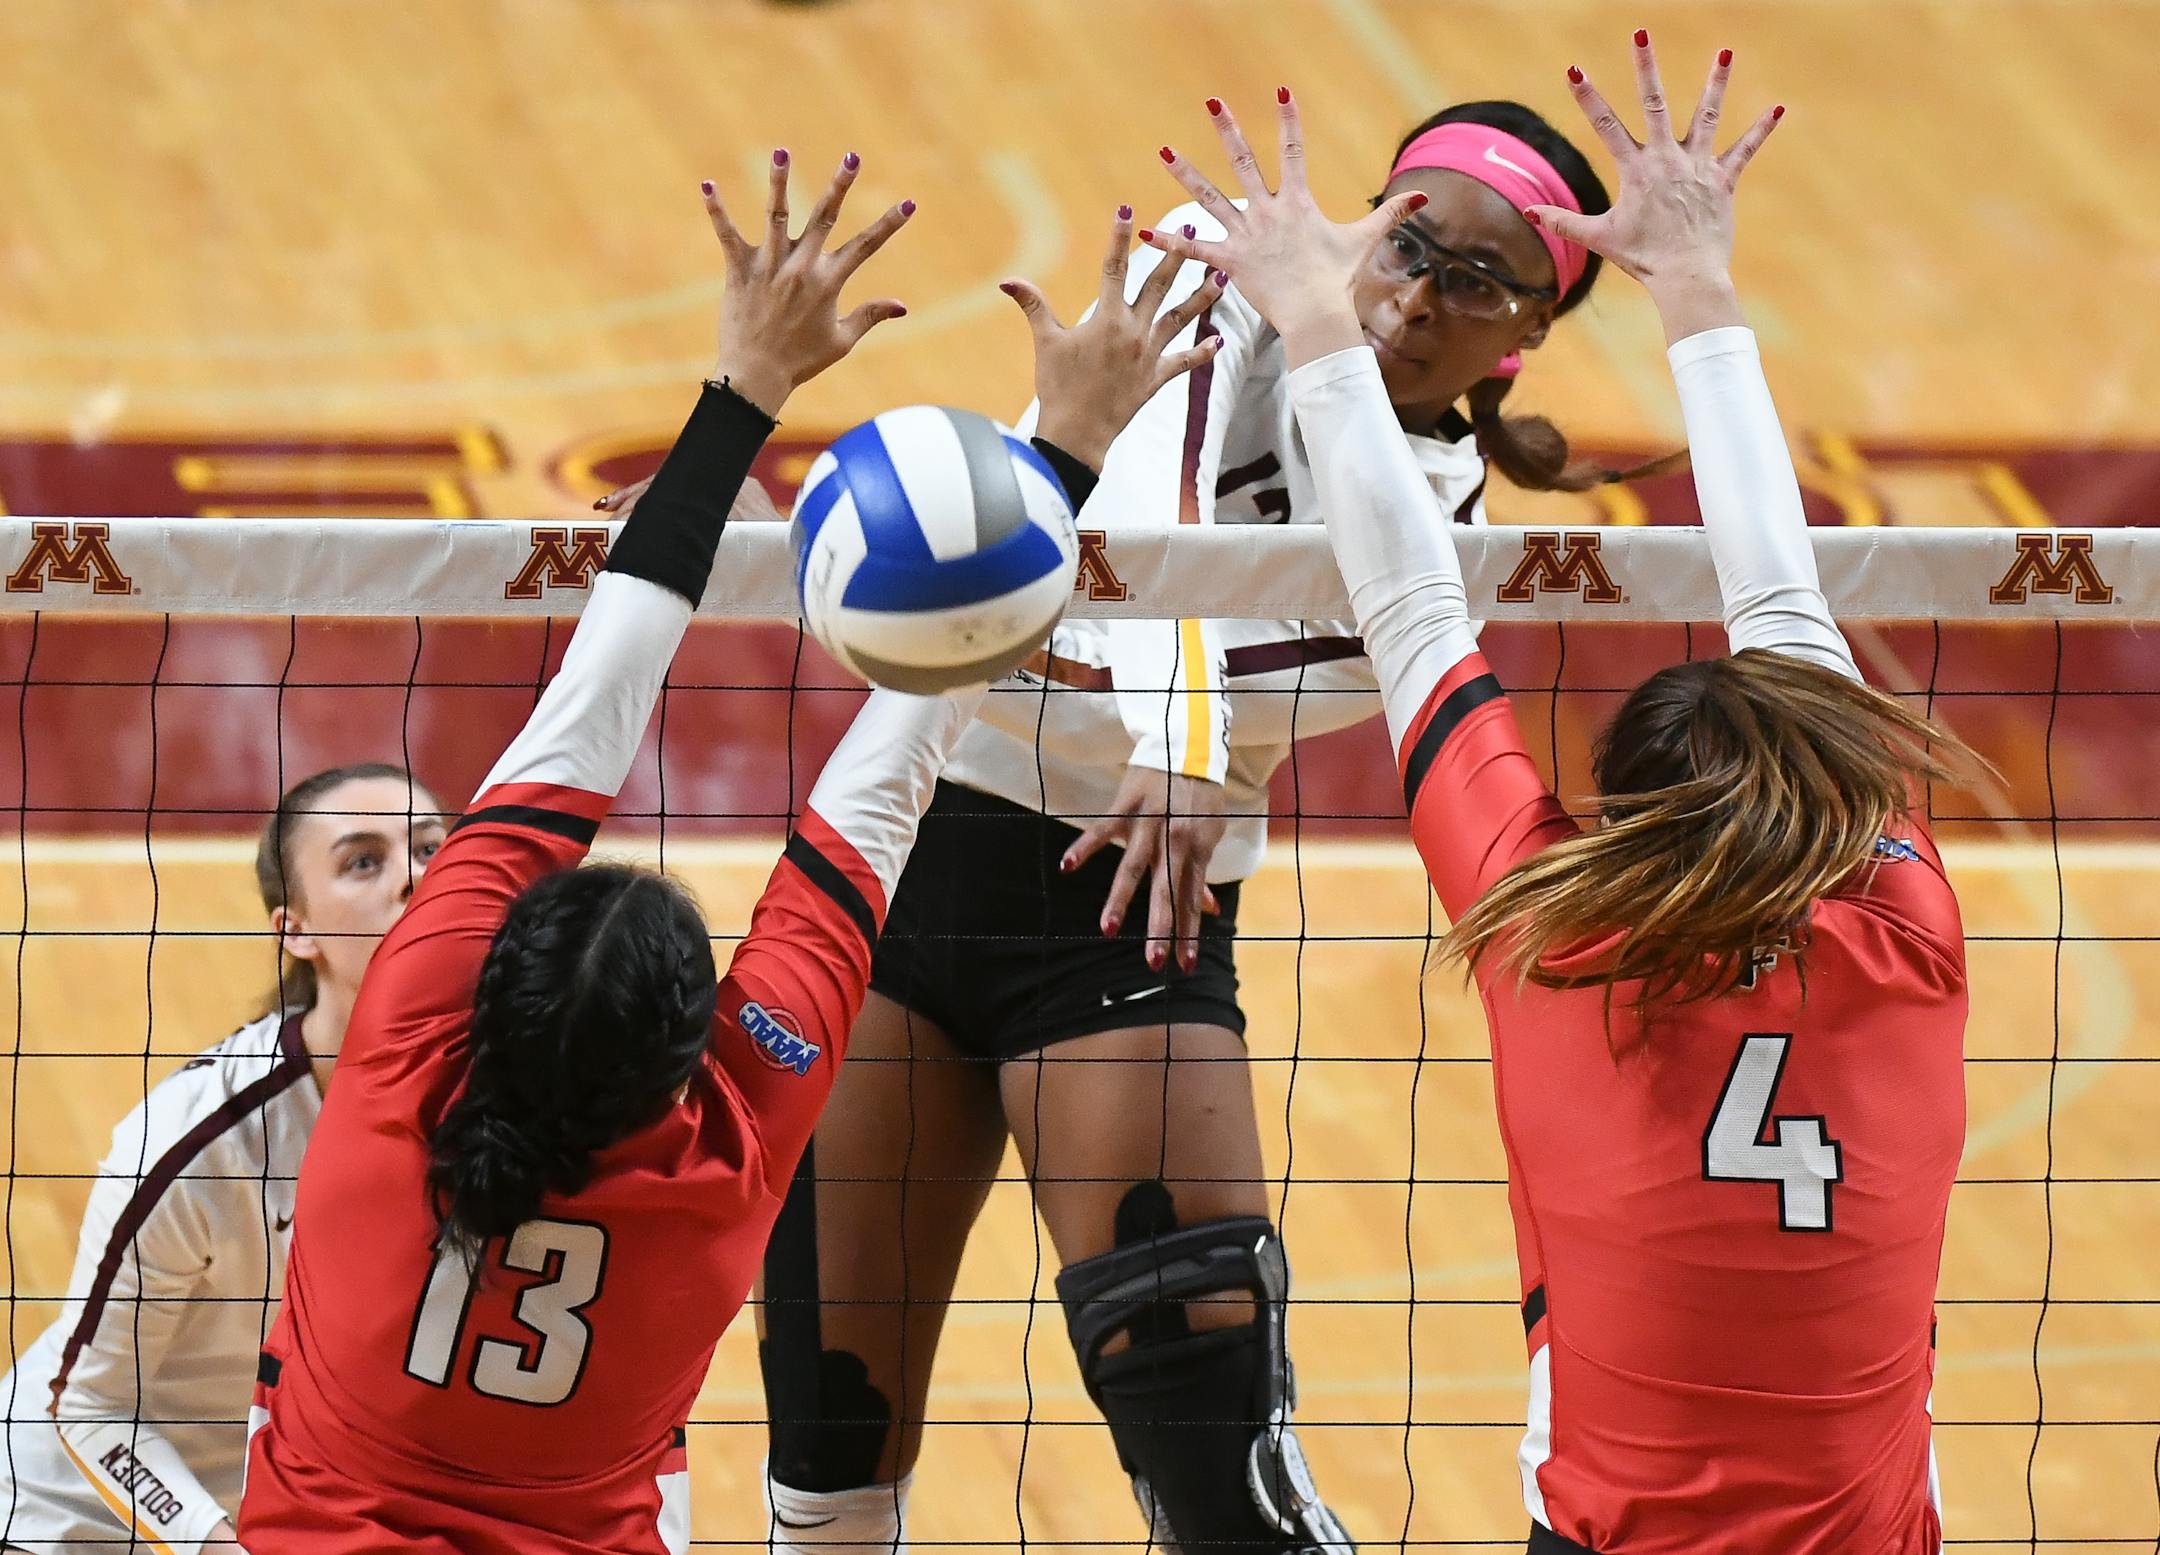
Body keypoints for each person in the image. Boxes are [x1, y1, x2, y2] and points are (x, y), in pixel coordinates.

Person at [235, 150, 1220, 1555]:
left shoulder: (404, 1038)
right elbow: (875, 795)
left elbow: (607, 711)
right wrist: (1050, 461)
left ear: (480, 991)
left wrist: (749, 387)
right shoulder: (720, 1147)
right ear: (693, 1042)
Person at [1142, 40, 1974, 1555]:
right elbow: (1782, 601)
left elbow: (1405, 596)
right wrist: (1700, 287)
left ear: (1613, 825)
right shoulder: (1905, 927)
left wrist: (1320, 319)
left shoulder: (1555, 938)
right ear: (1820, 794)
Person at [757, 91, 1617, 1555]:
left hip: (1123, 909)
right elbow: (1156, 470)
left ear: (1523, 333)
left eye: (1479, 283)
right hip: (918, 853)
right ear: (1368, 211)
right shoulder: (1213, 258)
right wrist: (1195, 729)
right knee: (830, 1437)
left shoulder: (1445, 518)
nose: (1416, 298)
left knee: (1215, 1471)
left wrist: (1194, 730)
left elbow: (1341, 651)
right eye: (1411, 241)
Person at [0, 764, 444, 1554]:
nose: (413, 878)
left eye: (430, 849)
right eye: (363, 860)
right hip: (72, 1513)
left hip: (277, 1510)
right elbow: (89, 1407)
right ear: (296, 929)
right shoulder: (199, 1136)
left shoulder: (508, 1111)